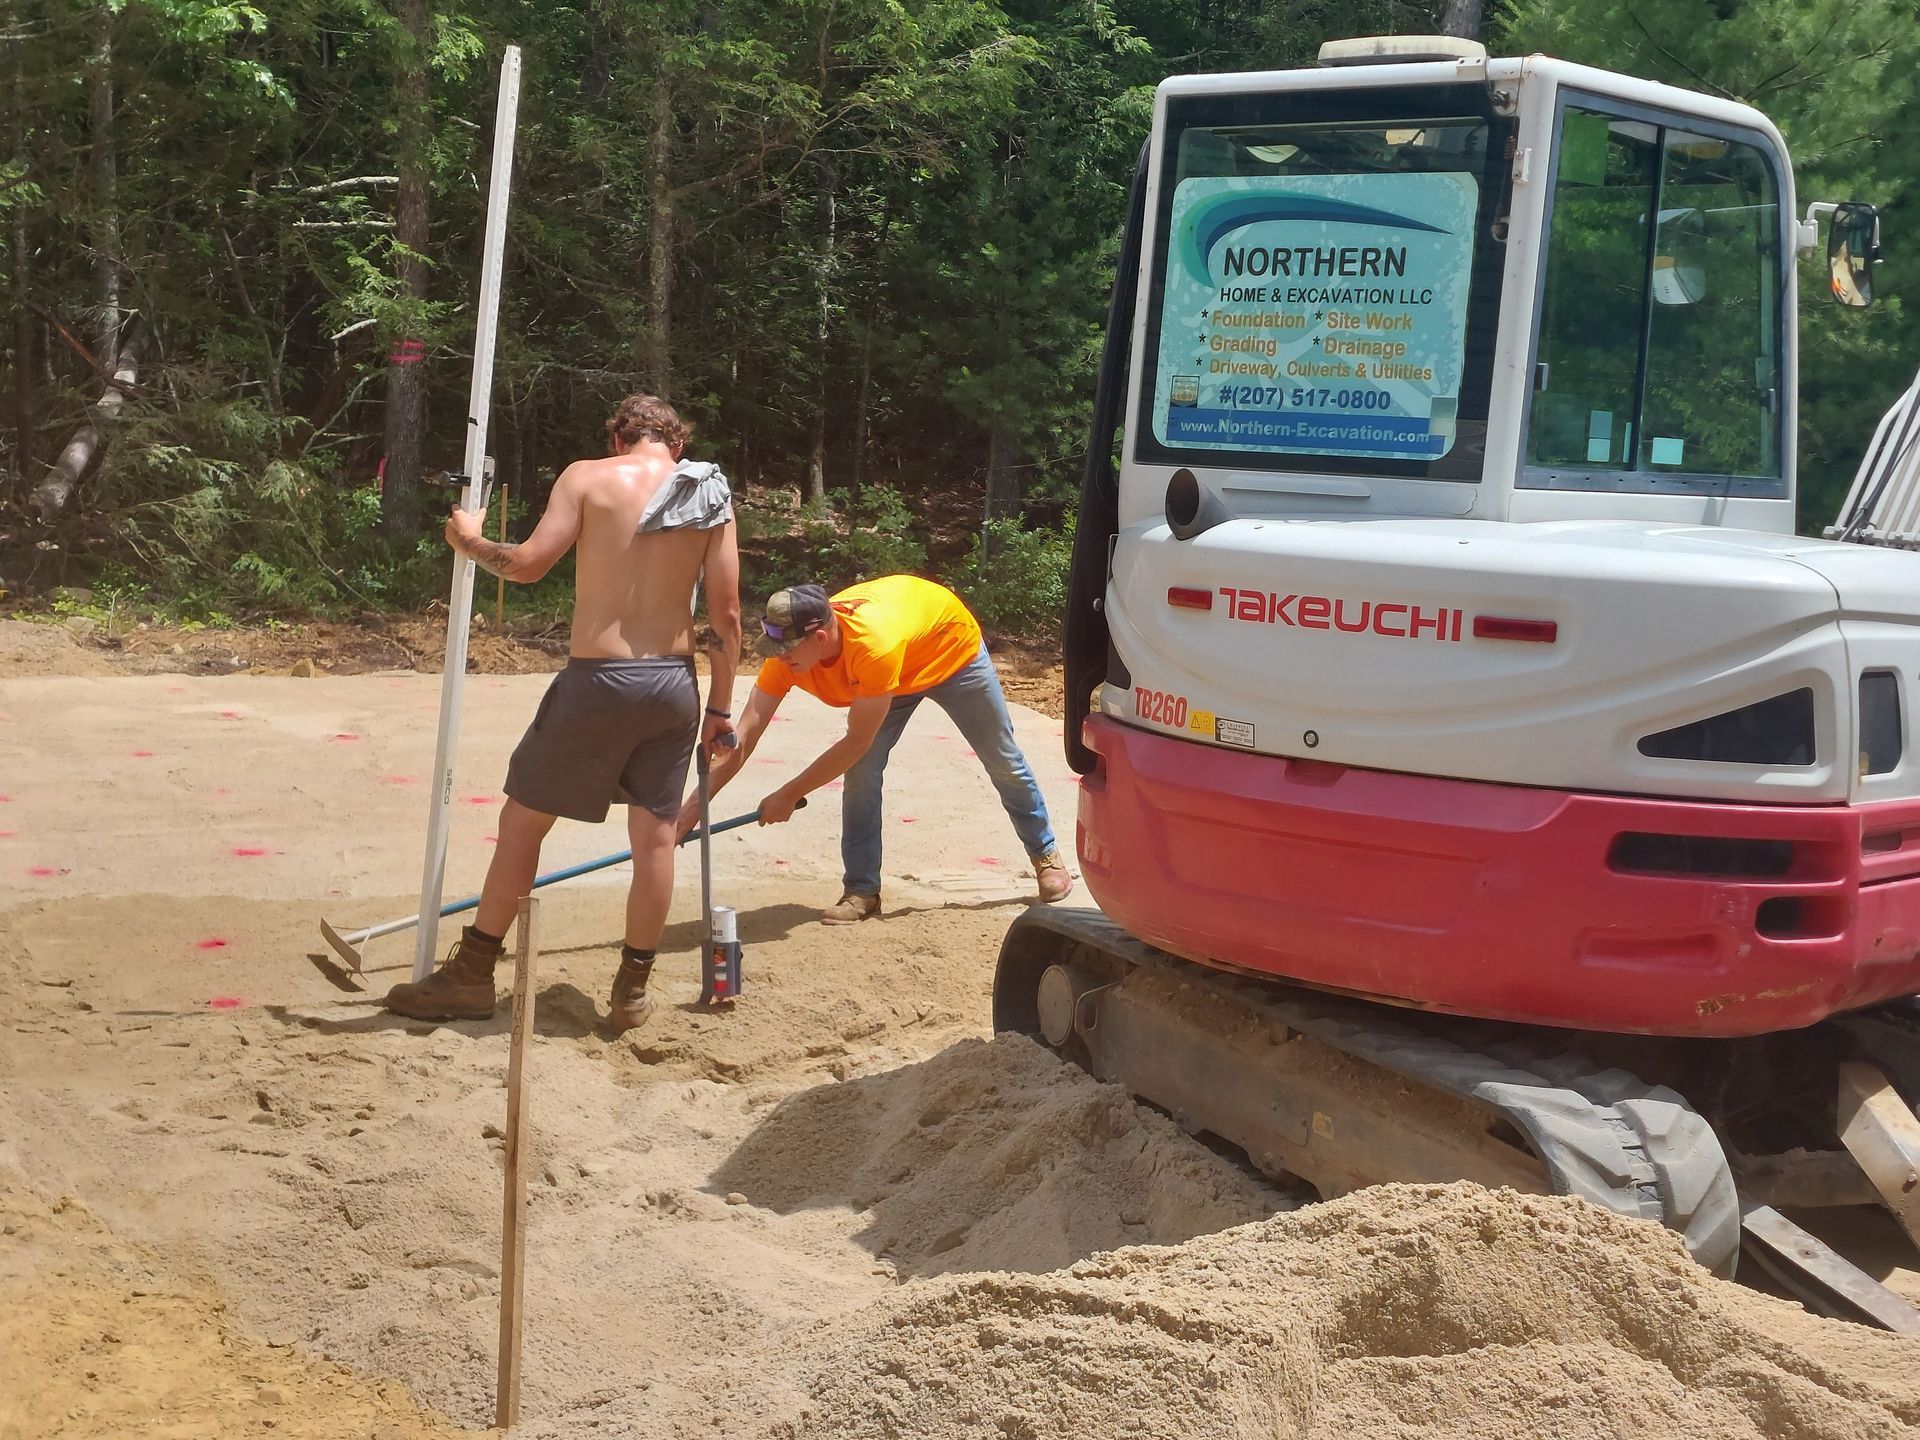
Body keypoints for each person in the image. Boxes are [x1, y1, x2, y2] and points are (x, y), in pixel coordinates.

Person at [384, 394, 741, 1032]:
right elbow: (728, 617)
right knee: (655, 837)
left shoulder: (587, 477)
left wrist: (469, 540)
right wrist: (720, 706)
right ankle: (632, 989)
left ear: (618, 438)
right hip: (673, 683)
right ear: (675, 444)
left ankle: (471, 974)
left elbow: (525, 565)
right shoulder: (709, 492)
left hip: (600, 680)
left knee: (523, 822)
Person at [678, 575, 1071, 923]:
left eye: (788, 651)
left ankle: (1046, 855)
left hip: (948, 652)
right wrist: (692, 810)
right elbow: (745, 735)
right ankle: (862, 890)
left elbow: (856, 740)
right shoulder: (788, 655)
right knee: (863, 772)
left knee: (1002, 760)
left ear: (819, 638)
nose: (780, 659)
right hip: (888, 675)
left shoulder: (873, 647)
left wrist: (790, 793)